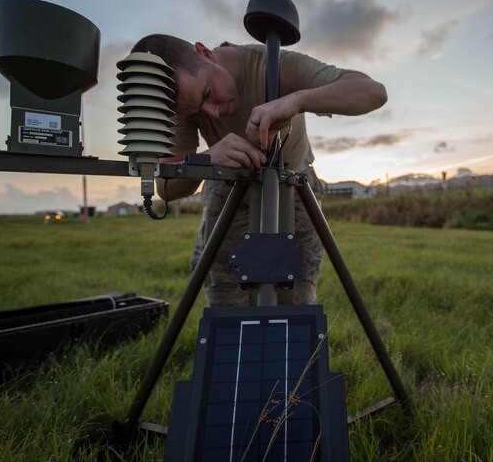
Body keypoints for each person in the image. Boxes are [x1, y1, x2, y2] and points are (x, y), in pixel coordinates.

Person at [129, 35, 387, 307]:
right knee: (225, 294)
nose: (213, 114)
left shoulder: (271, 64)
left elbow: (373, 92)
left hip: (294, 185)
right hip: (228, 186)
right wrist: (206, 159)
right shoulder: (181, 101)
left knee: (295, 293)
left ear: (205, 53)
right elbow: (166, 188)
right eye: (198, 112)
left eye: (208, 95)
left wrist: (297, 100)